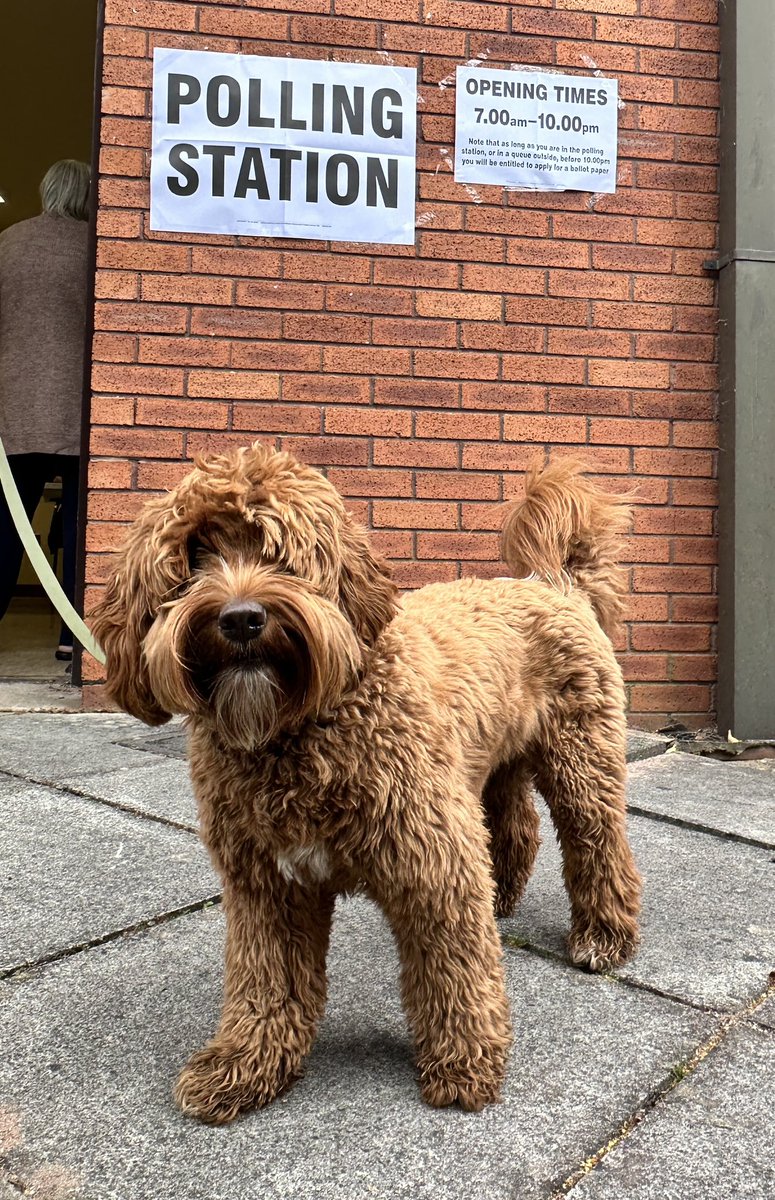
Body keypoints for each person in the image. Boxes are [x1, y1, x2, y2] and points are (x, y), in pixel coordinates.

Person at [0, 159, 91, 661]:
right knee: (80, 526)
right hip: (81, 414)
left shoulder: (8, 243)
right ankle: (72, 638)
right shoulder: (95, 247)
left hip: (14, 412)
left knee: (5, 525)